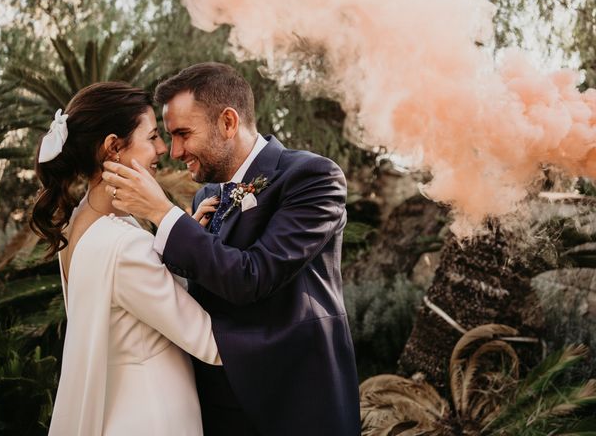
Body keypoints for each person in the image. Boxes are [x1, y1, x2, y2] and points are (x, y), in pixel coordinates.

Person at [101, 63, 361, 436]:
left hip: (296, 404)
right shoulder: (208, 195)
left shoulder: (313, 178)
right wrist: (184, 237)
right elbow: (198, 293)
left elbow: (253, 277)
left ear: (227, 122)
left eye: (183, 134)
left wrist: (163, 213)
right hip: (219, 407)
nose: (174, 151)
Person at [29, 82, 221, 436]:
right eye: (151, 138)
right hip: (156, 416)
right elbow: (209, 342)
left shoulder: (80, 224)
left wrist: (183, 239)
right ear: (113, 148)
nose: (162, 149)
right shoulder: (123, 246)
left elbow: (130, 299)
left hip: (119, 413)